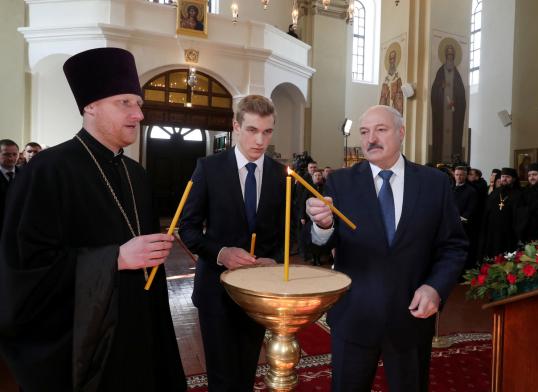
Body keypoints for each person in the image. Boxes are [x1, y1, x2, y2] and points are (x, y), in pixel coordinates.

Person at [0, 48, 186, 391]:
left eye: (139, 103)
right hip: (86, 344)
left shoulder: (138, 175)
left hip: (140, 331)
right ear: (90, 106)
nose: (139, 114)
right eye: (125, 103)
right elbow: (25, 271)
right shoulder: (46, 172)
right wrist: (115, 258)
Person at [306, 105, 467, 391]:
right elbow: (321, 242)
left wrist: (435, 288)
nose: (370, 139)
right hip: (354, 316)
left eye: (381, 130)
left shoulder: (434, 183)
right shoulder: (341, 182)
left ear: (401, 132)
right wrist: (322, 225)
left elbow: (453, 246)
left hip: (411, 318)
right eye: (365, 132)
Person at [179, 95, 286, 391]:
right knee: (222, 378)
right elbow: (186, 228)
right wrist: (221, 253)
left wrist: (274, 260)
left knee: (246, 371)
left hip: (258, 294)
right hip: (216, 291)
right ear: (236, 127)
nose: (260, 140)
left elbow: (287, 234)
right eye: (252, 130)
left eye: (267, 132)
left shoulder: (280, 175)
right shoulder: (208, 168)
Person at [430, 43, 466, 163]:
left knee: (454, 135)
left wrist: (455, 102)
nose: (450, 56)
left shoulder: (457, 74)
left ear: (454, 56)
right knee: (441, 134)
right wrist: (441, 87)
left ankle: (454, 160)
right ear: (445, 55)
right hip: (442, 112)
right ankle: (438, 160)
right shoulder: (440, 71)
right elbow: (434, 91)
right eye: (448, 54)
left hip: (453, 113)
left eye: (452, 54)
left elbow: (461, 93)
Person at [478, 167, 522, 259]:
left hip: (508, 233)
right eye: (503, 176)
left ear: (514, 179)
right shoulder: (495, 192)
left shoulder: (519, 194)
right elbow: (486, 211)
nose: (504, 179)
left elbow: (520, 217)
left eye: (508, 177)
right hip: (492, 232)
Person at [0, 139, 20, 234]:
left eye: (14, 154)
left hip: (19, 227)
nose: (11, 158)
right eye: (6, 154)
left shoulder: (25, 174)